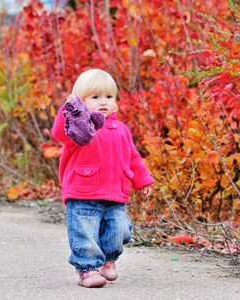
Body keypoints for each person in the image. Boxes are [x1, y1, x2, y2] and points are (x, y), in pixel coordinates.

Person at [51, 69, 154, 288]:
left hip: (115, 194)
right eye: (95, 97)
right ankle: (87, 269)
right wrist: (68, 110)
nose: (103, 102)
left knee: (119, 231)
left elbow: (133, 157)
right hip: (83, 193)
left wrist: (142, 180)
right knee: (85, 233)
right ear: (80, 100)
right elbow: (59, 132)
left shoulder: (122, 129)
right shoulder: (79, 128)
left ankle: (109, 260)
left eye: (109, 97)